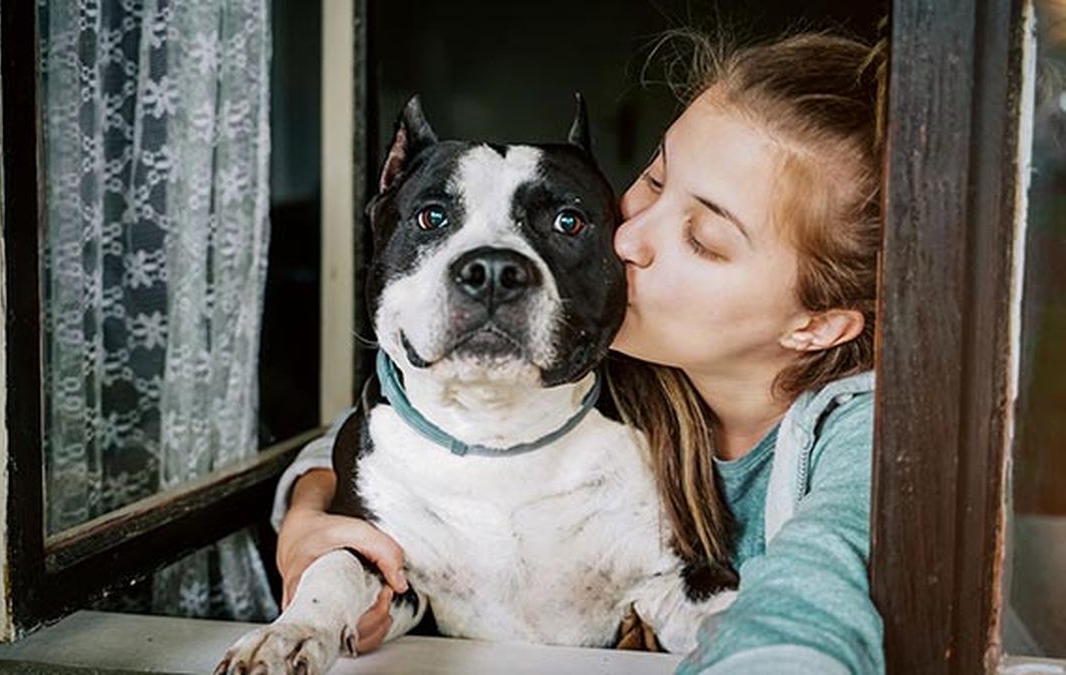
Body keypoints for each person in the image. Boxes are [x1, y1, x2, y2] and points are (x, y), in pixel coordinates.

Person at [269, 31, 886, 674]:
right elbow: (399, 429)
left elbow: (815, 595)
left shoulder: (860, 443)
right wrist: (311, 510)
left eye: (702, 238)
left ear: (816, 325)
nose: (627, 239)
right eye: (653, 180)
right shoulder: (618, 362)